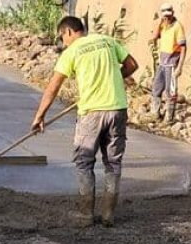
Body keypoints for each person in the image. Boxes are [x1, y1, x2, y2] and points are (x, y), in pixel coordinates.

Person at [31, 16, 139, 228]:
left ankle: (85, 214)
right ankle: (108, 214)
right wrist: (115, 77)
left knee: (84, 162)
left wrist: (40, 116)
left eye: (62, 37)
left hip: (91, 113)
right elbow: (132, 65)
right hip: (117, 109)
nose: (64, 42)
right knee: (113, 163)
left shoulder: (72, 51)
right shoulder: (107, 41)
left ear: (69, 32)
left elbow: (54, 86)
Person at [148, 3, 186, 123]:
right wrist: (159, 24)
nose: (167, 18)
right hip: (162, 63)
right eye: (165, 16)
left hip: (172, 64)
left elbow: (183, 47)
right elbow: (154, 37)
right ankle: (155, 114)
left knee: (171, 92)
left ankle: (169, 118)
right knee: (156, 89)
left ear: (173, 13)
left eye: (169, 16)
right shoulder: (163, 25)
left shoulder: (177, 26)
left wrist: (179, 67)